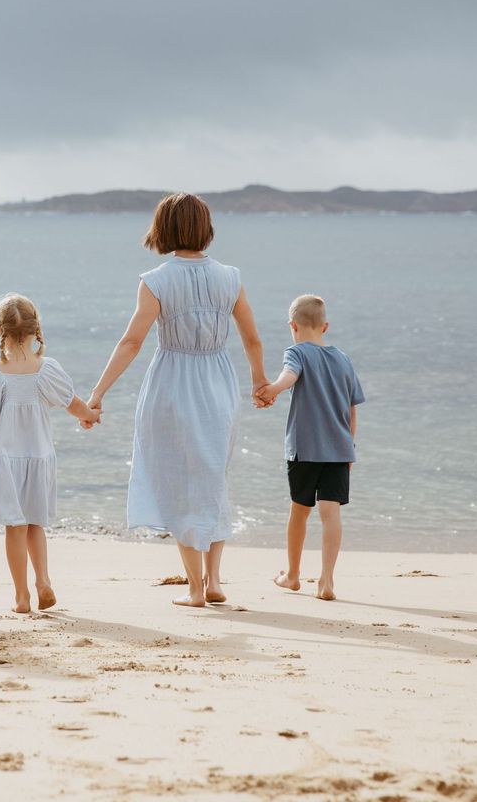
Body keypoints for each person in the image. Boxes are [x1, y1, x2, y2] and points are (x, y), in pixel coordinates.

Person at [86, 193, 270, 608]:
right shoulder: (230, 277)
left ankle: (195, 588)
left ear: (163, 228)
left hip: (172, 383)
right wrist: (260, 382)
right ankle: (216, 579)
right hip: (219, 383)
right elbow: (252, 338)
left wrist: (98, 394)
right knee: (213, 478)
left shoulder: (156, 279)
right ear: (206, 228)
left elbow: (132, 341)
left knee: (180, 481)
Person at [0, 294, 100, 613]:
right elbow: (73, 403)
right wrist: (91, 416)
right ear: (35, 329)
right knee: (35, 524)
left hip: (5, 461)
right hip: (39, 458)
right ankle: (43, 581)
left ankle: (21, 596)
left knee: (14, 527)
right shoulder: (47, 370)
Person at [255, 294, 365, 601]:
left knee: (300, 511)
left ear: (293, 326)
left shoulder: (297, 352)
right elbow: (353, 408)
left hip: (304, 449)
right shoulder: (343, 359)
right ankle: (326, 581)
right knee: (331, 514)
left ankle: (292, 576)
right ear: (325, 326)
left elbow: (289, 377)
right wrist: (350, 447)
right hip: (340, 449)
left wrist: (270, 391)